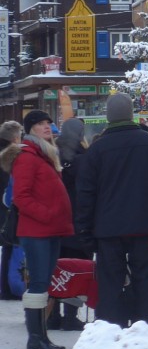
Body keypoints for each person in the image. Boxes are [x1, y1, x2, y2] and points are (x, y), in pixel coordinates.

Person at [74, 94, 148, 333]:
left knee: (110, 283)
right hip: (146, 227)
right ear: (131, 114)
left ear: (109, 116)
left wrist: (85, 231)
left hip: (108, 229)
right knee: (145, 281)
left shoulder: (97, 149)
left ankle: (111, 333)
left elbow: (86, 194)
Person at [1, 110, 74, 349]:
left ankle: (41, 336)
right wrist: (47, 215)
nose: (46, 127)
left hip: (49, 230)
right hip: (36, 231)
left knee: (44, 281)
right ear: (30, 128)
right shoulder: (27, 156)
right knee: (39, 282)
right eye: (41, 123)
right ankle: (35, 338)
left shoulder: (43, 154)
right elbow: (21, 197)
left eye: (48, 123)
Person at [47, 117, 91, 331]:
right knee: (76, 270)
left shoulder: (51, 154)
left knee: (55, 268)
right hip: (78, 223)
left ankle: (52, 315)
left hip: (55, 223)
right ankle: (70, 316)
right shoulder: (84, 159)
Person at [0, 120, 25, 301]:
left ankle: (5, 287)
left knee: (7, 249)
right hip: (7, 209)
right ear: (16, 137)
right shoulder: (11, 154)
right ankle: (10, 286)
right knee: (10, 245)